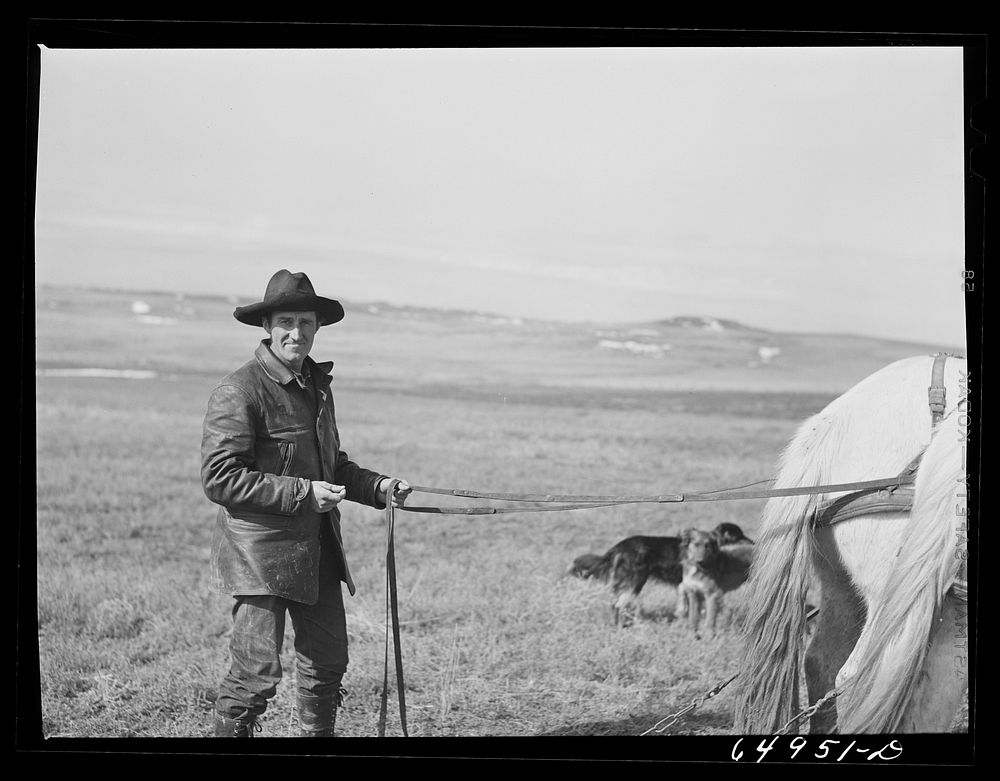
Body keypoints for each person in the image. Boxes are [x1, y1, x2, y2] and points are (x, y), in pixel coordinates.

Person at [201, 269, 411, 737]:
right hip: (260, 554)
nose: (297, 333)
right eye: (286, 322)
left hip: (316, 548)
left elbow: (330, 465)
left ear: (318, 327)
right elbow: (220, 479)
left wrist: (378, 487)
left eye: (306, 323)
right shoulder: (239, 390)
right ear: (267, 327)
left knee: (327, 664)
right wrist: (301, 493)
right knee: (254, 675)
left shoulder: (316, 385)